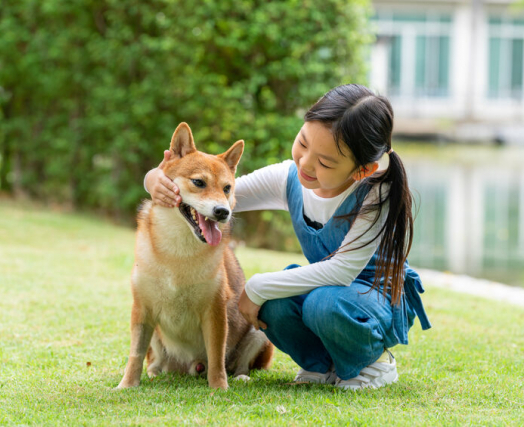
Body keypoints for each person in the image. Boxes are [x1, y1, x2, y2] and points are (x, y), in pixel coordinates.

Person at [144, 84, 431, 390]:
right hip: (327, 290)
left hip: (367, 298)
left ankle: (374, 362)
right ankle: (319, 365)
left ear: (361, 171)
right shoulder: (288, 176)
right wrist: (154, 180)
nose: (305, 163)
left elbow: (343, 270)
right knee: (275, 305)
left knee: (319, 303)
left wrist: (256, 286)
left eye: (325, 162)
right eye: (303, 143)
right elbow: (215, 194)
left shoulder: (376, 194)